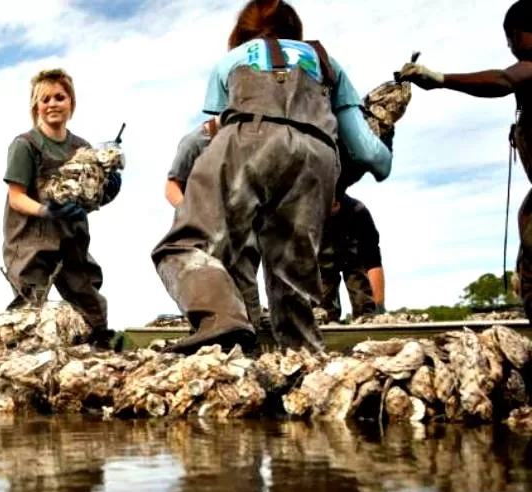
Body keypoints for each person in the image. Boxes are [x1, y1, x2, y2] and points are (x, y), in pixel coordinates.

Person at [149, 0, 392, 354]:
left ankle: (222, 319)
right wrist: (386, 156)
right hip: (318, 156)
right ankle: (305, 361)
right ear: (295, 30)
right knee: (291, 279)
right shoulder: (325, 60)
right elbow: (369, 153)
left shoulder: (232, 59)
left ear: (242, 32)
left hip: (249, 138)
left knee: (184, 246)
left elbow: (219, 126)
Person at [396, 0, 532, 322]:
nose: (509, 45)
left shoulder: (527, 69)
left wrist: (439, 78)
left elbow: (503, 80)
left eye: (511, 37)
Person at [1, 68, 123, 349]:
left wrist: (108, 191)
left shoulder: (83, 148)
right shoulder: (25, 145)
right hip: (30, 241)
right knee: (29, 316)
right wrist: (47, 212)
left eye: (60, 97)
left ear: (71, 103)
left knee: (90, 305)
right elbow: (16, 197)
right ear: (36, 106)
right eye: (45, 99)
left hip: (72, 239)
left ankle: (100, 357)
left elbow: (87, 200)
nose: (52, 104)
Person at [164, 120, 272, 333]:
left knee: (249, 308)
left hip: (243, 236)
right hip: (204, 235)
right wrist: (195, 216)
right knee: (208, 298)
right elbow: (172, 188)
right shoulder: (195, 142)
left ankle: (249, 347)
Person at [318, 192, 386, 322]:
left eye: (333, 205)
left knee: (365, 306)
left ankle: (367, 322)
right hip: (320, 263)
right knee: (321, 312)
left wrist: (380, 308)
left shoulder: (358, 212)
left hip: (354, 260)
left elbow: (373, 261)